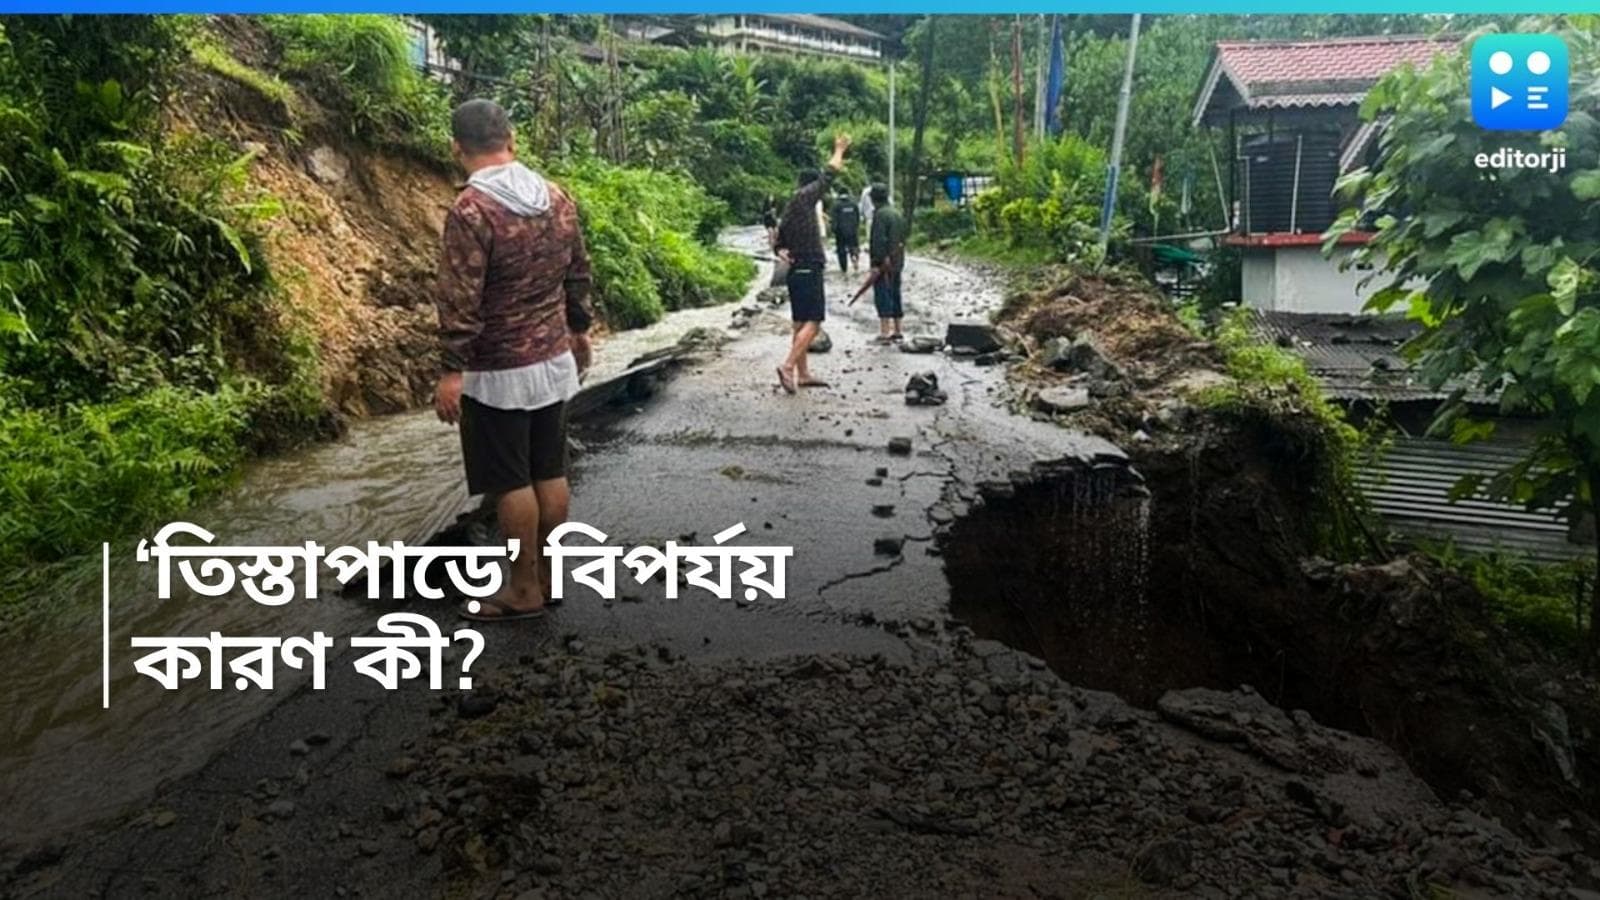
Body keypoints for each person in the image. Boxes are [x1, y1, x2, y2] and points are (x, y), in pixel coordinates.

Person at [433, 98, 596, 622]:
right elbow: (579, 271)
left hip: (496, 372)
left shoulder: (472, 211)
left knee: (510, 481)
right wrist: (579, 329)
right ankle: (546, 580)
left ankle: (521, 589)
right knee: (549, 470)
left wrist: (452, 369)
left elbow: (460, 297)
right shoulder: (557, 197)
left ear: (457, 148)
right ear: (513, 141)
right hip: (552, 360)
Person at [773, 133, 851, 393]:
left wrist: (781, 250)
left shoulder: (789, 208)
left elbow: (778, 243)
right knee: (814, 321)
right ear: (810, 188)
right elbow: (829, 174)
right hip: (808, 268)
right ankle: (788, 367)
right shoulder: (805, 199)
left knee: (799, 323)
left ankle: (803, 374)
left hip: (797, 271)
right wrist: (839, 149)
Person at [867, 182, 907, 344]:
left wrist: (876, 263)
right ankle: (898, 329)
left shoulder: (880, 215)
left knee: (883, 295)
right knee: (896, 293)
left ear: (872, 198)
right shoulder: (896, 213)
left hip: (884, 263)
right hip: (898, 260)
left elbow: (878, 241)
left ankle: (884, 332)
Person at [831, 190, 862, 274]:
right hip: (852, 231)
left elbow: (834, 219)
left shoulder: (836, 205)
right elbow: (858, 217)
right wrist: (856, 227)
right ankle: (855, 259)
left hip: (840, 232)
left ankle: (843, 269)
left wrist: (833, 230)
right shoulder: (853, 204)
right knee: (854, 247)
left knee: (841, 250)